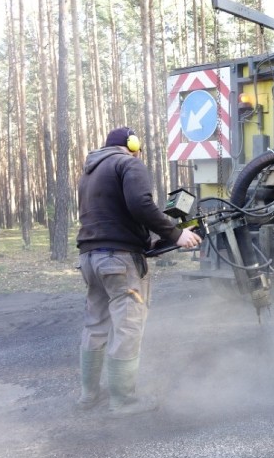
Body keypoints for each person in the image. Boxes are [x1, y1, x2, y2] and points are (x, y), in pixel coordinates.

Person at [75, 126, 201, 417]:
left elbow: (115, 215)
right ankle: (123, 401)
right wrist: (175, 234)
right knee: (128, 326)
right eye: (138, 146)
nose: (140, 152)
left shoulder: (89, 171)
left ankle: (88, 396)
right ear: (132, 144)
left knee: (96, 325)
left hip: (91, 259)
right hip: (119, 261)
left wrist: (149, 240)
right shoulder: (128, 163)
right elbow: (140, 204)